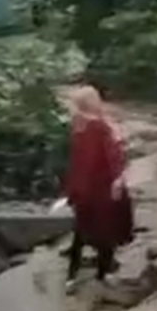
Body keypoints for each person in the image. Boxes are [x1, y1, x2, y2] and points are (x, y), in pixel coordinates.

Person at [60, 85, 134, 291]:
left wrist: (72, 190)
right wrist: (118, 179)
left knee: (81, 232)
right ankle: (103, 274)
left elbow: (77, 162)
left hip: (86, 188)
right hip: (104, 186)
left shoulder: (78, 126)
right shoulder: (100, 126)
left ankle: (71, 277)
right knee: (108, 232)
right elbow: (112, 156)